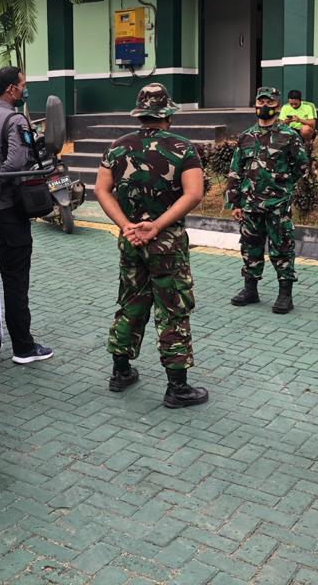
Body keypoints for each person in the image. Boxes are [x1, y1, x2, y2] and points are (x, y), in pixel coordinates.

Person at [94, 83, 209, 406]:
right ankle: (177, 387)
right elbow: (194, 194)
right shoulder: (183, 148)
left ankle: (120, 371)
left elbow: (101, 190)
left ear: (140, 113)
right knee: (172, 309)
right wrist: (156, 225)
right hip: (167, 243)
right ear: (168, 115)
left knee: (131, 301)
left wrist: (127, 226)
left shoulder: (117, 148)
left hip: (130, 241)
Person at [0, 66, 53, 365]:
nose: (24, 89)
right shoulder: (15, 118)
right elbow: (17, 160)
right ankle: (24, 347)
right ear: (11, 89)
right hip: (8, 210)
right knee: (15, 281)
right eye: (22, 85)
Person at [225, 86, 309, 314]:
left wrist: (283, 186)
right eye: (261, 102)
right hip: (250, 205)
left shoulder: (288, 136)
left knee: (282, 247)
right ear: (255, 106)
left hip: (277, 205)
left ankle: (285, 294)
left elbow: (301, 166)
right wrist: (234, 202)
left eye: (269, 103)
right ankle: (250, 289)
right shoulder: (245, 137)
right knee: (250, 247)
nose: (264, 107)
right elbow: (236, 170)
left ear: (277, 106)